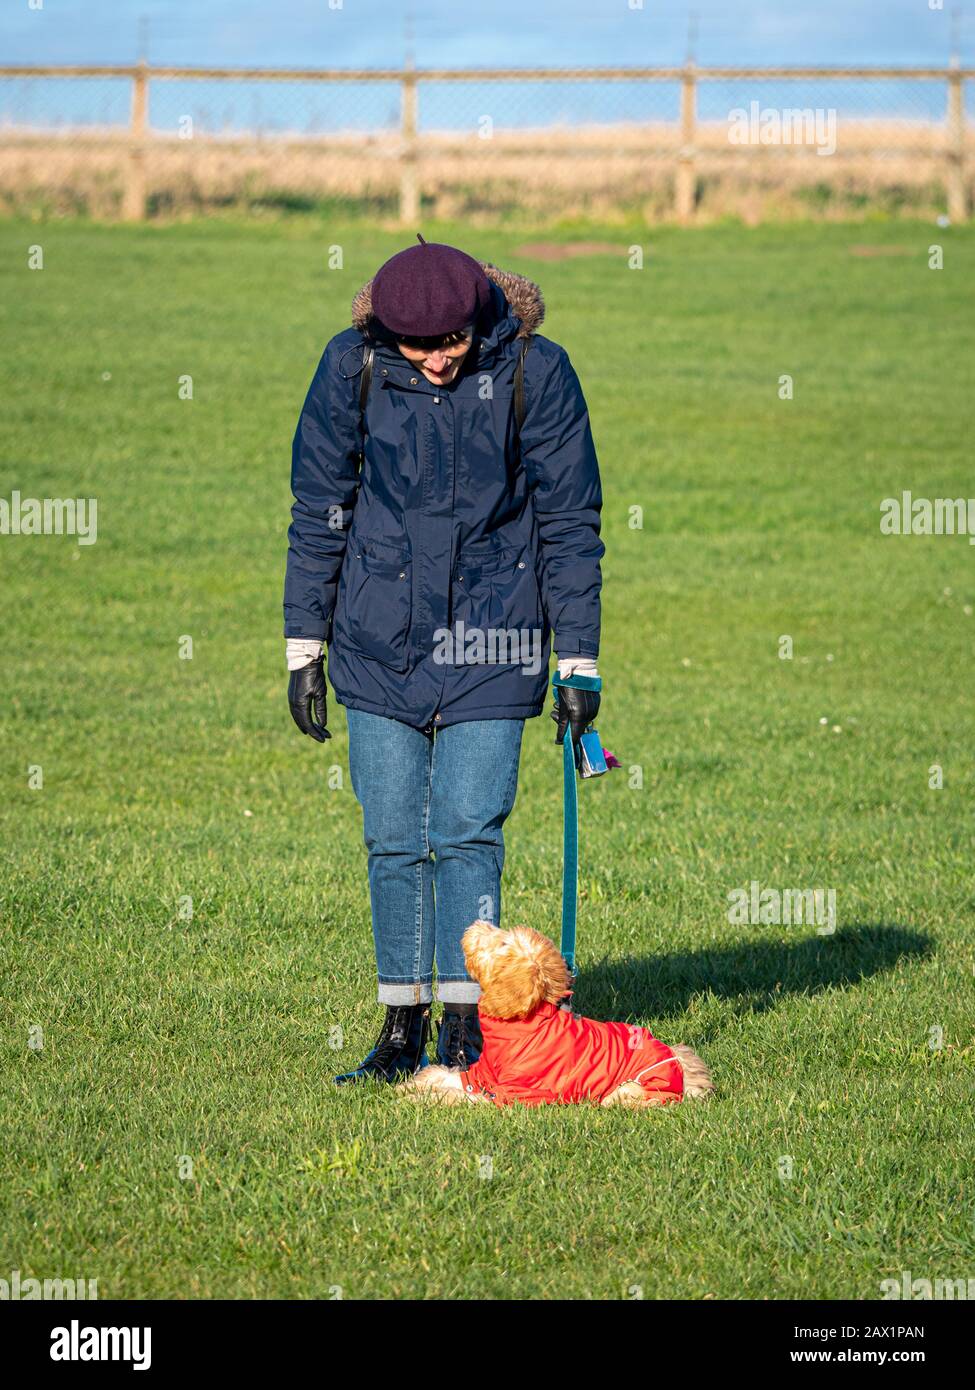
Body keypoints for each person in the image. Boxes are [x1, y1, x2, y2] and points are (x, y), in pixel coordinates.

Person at [283, 234, 604, 1084]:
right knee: (392, 838)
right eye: (415, 347)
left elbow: (570, 524)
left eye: (450, 344)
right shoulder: (348, 366)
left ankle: (467, 1030)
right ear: (385, 334)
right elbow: (321, 506)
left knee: (468, 829)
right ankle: (399, 1029)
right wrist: (303, 644)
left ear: (476, 321)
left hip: (496, 642)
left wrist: (578, 660)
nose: (433, 361)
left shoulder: (538, 371)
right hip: (376, 640)